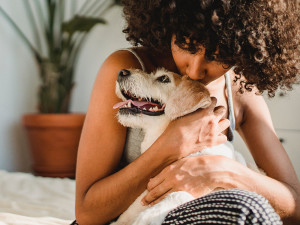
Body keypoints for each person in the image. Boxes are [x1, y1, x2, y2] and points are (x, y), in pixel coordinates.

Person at [73, 0, 300, 224]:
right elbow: (87, 213)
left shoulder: (238, 90)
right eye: (186, 46)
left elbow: (295, 205)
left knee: (248, 210)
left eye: (216, 57)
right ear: (169, 27)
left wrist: (220, 170)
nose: (193, 71)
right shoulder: (129, 70)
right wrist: (173, 144)